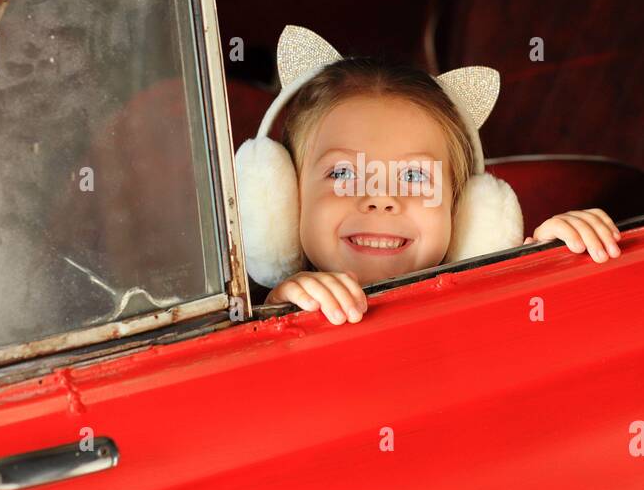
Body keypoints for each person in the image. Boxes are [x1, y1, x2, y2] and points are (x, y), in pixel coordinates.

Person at [235, 26, 621, 325]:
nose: (382, 198)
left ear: (461, 207)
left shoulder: (491, 294)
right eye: (344, 172)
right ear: (288, 199)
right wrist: (281, 309)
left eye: (416, 177)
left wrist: (552, 261)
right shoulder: (273, 307)